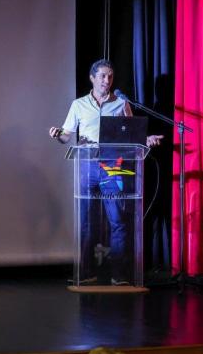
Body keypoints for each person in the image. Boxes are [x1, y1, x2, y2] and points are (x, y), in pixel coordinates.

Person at [49, 59, 162, 284]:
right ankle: (87, 273)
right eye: (102, 76)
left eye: (110, 76)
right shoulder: (78, 104)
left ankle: (118, 275)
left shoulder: (121, 103)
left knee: (118, 220)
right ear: (92, 78)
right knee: (87, 221)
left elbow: (132, 135)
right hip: (87, 167)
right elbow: (66, 136)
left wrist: (146, 140)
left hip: (113, 168)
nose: (107, 81)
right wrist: (57, 134)